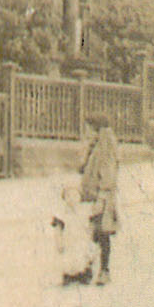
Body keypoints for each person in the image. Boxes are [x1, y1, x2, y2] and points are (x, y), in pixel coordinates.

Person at [79, 113, 121, 286]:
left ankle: (104, 271)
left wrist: (101, 199)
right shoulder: (95, 146)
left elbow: (108, 174)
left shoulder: (106, 147)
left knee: (102, 235)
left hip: (101, 198)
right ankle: (88, 270)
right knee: (93, 235)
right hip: (93, 197)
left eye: (88, 129)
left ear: (97, 129)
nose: (86, 132)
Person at [51, 183, 97, 286]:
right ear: (64, 198)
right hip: (68, 239)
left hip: (82, 238)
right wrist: (59, 242)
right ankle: (69, 276)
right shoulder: (61, 214)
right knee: (69, 258)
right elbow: (58, 229)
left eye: (75, 195)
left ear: (80, 197)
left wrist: (91, 237)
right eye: (68, 196)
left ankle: (84, 275)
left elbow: (91, 226)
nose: (71, 199)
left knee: (84, 256)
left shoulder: (85, 212)